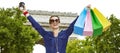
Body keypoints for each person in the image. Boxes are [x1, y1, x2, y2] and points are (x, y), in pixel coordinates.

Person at [19, 2, 90, 53]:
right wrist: (25, 12)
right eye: (52, 21)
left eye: (56, 20)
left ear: (59, 22)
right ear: (50, 24)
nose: (54, 22)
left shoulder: (65, 34)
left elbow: (73, 24)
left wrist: (84, 11)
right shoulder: (46, 35)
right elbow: (36, 25)